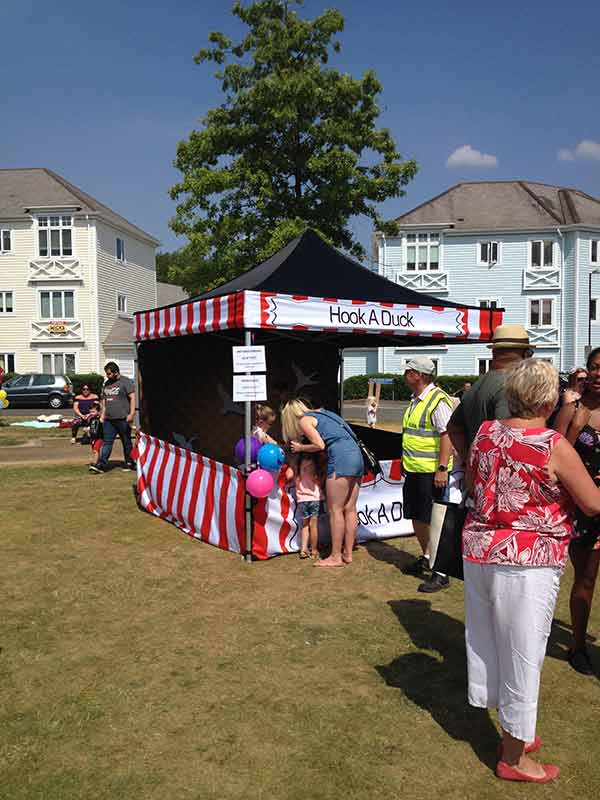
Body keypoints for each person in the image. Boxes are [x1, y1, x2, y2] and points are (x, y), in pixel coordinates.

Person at [463, 359, 600, 783]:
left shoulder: (487, 433)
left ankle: (514, 731)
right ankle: (514, 756)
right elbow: (592, 503)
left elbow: (472, 483)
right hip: (527, 559)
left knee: (490, 642)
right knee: (522, 652)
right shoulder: (551, 444)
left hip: (481, 550)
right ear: (548, 397)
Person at [554, 349, 600, 675]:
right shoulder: (573, 408)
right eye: (595, 368)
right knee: (585, 577)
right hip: (584, 508)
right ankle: (579, 645)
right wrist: (576, 426)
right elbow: (551, 451)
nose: (599, 374)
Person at [281, 399, 363, 568]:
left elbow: (319, 444)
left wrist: (300, 448)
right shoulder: (324, 413)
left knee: (335, 510)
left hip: (340, 459)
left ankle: (335, 556)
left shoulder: (304, 420)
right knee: (350, 508)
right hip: (357, 456)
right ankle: (347, 553)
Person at [401, 356, 454, 592]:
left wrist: (442, 468)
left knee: (435, 521)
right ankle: (427, 557)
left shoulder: (436, 400)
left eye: (408, 371)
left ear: (419, 376)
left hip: (431, 473)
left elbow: (447, 435)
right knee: (417, 516)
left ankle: (441, 571)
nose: (405, 375)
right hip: (414, 470)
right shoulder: (415, 399)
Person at [447, 324, 533, 463]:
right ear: (524, 353)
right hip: (501, 477)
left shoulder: (478, 385)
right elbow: (509, 436)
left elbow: (454, 427)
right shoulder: (510, 386)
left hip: (480, 476)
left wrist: (469, 461)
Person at [89, 362, 135, 474]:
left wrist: (131, 414)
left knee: (126, 441)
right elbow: (104, 401)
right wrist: (102, 416)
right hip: (109, 420)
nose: (107, 376)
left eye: (109, 373)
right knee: (107, 442)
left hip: (123, 418)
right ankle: (101, 465)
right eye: (106, 373)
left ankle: (130, 462)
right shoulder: (107, 384)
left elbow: (133, 398)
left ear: (116, 372)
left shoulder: (125, 382)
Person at [295, 453, 323, 560]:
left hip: (302, 499)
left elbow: (289, 476)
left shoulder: (298, 466)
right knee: (313, 525)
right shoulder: (315, 465)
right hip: (314, 498)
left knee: (305, 525)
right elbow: (318, 481)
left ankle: (303, 549)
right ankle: (314, 550)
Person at [87, 401, 104, 466]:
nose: (91, 413)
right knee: (94, 450)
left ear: (98, 411)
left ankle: (95, 463)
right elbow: (90, 427)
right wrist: (87, 431)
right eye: (90, 412)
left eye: (93, 412)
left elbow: (103, 411)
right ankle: (97, 460)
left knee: (96, 450)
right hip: (92, 437)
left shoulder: (100, 418)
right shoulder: (90, 419)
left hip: (99, 437)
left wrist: (99, 404)